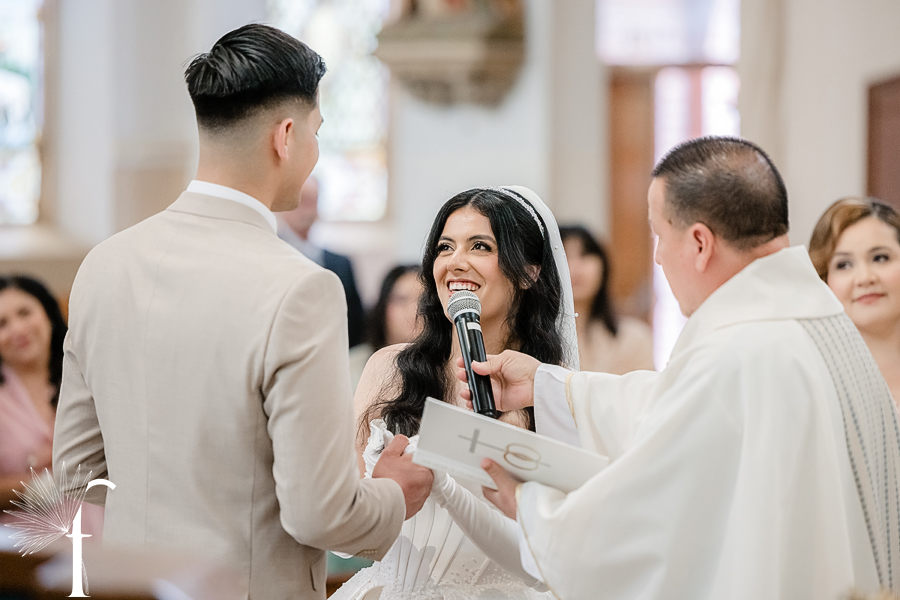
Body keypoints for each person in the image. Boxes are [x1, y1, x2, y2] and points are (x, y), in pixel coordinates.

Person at [52, 24, 432, 600]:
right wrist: (393, 493)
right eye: (316, 132)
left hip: (131, 588)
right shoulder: (300, 288)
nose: (314, 152)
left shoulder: (104, 265)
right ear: (286, 136)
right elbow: (321, 512)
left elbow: (75, 475)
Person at [463, 137, 900, 599]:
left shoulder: (735, 354)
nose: (657, 256)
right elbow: (666, 406)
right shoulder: (820, 322)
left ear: (699, 243)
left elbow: (656, 518)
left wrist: (534, 509)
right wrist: (547, 385)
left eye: (659, 235)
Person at [333, 186, 579, 600]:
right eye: (445, 247)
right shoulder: (389, 369)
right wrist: (382, 498)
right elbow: (342, 537)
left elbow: (548, 560)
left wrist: (445, 486)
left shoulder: (555, 390)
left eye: (480, 246)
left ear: (529, 272)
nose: (455, 262)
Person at [809, 197, 900, 403]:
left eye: (880, 258)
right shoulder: (815, 384)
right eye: (844, 265)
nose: (865, 278)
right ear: (824, 279)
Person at [277, 176, 366, 347]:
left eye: (313, 200)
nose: (307, 208)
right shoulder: (271, 255)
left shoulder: (341, 263)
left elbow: (355, 318)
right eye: (301, 200)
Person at [560, 225, 654, 374]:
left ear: (603, 266)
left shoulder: (634, 340)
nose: (575, 266)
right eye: (563, 256)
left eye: (584, 254)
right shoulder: (531, 342)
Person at [348, 264, 423, 391]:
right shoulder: (352, 366)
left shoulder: (446, 368)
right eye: (401, 299)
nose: (414, 310)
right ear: (383, 307)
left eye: (424, 301)